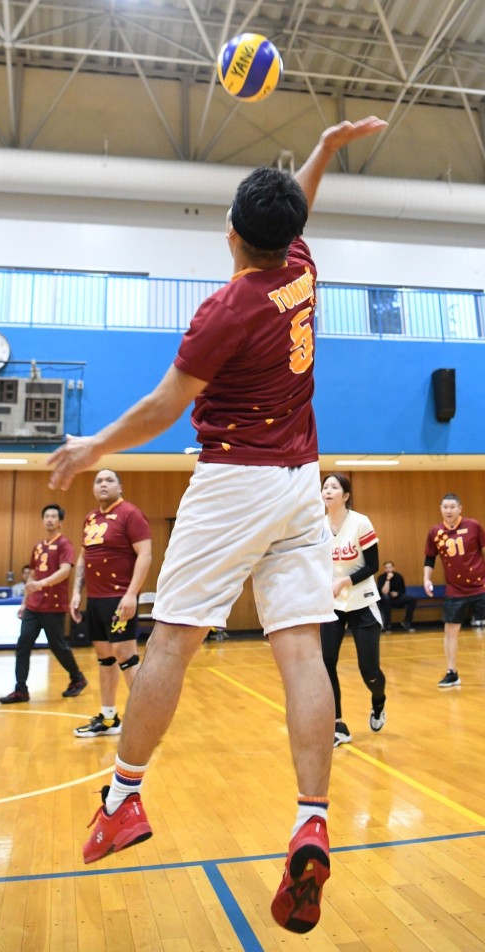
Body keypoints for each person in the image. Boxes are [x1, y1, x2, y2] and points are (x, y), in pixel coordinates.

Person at [47, 116, 388, 935]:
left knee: (171, 642)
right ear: (287, 237)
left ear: (232, 236)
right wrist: (327, 151)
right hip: (302, 486)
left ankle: (124, 798)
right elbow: (296, 209)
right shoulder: (301, 270)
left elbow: (167, 407)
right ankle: (312, 817)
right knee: (301, 647)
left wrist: (93, 443)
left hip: (232, 483)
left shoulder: (225, 309)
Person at [70, 469, 152, 737]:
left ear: (120, 487)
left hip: (119, 598)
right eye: (98, 481)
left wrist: (131, 594)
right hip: (95, 599)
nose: (103, 484)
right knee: (105, 657)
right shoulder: (91, 518)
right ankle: (108, 718)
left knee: (126, 656)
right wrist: (76, 592)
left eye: (109, 480)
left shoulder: (130, 514)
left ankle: (146, 722)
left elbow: (145, 555)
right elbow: (84, 557)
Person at [321, 474, 387, 748]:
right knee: (326, 664)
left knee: (368, 669)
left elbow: (373, 565)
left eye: (334, 487)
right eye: (325, 487)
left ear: (346, 496)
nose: (328, 491)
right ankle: (338, 725)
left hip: (362, 601)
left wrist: (344, 582)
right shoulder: (318, 526)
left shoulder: (360, 522)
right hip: (333, 606)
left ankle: (378, 700)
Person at [0, 505, 88, 704]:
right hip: (33, 606)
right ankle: (20, 689)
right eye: (46, 516)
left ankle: (77, 677)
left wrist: (43, 583)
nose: (49, 519)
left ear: (59, 521)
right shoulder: (39, 546)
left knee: (57, 646)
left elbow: (65, 571)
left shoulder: (65, 544)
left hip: (53, 606)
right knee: (23, 644)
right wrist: (24, 602)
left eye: (53, 516)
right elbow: (32, 574)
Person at [424, 492, 485, 688]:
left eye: (452, 507)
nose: (448, 510)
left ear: (460, 508)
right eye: (445, 507)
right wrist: (427, 578)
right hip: (455, 589)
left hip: (480, 585)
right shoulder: (435, 532)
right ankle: (452, 672)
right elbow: (430, 558)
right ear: (441, 509)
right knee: (450, 630)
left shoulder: (473, 526)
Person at [377, 561, 417, 632]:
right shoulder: (381, 578)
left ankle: (406, 622)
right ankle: (388, 625)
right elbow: (384, 592)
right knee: (386, 598)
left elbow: (403, 590)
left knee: (412, 599)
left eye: (390, 567)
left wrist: (397, 593)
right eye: (386, 568)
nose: (388, 569)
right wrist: (388, 579)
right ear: (384, 569)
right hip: (385, 601)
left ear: (393, 568)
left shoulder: (399, 577)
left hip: (397, 599)